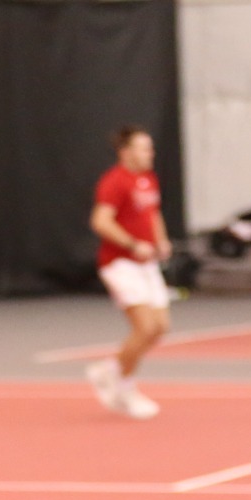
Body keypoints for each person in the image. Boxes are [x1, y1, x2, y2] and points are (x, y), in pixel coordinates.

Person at [86, 124, 171, 420]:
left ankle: (108, 370)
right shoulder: (114, 182)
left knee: (160, 327)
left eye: (151, 147)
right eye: (144, 148)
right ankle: (125, 388)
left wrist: (160, 241)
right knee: (145, 327)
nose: (151, 153)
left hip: (146, 264)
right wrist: (133, 244)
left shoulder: (148, 178)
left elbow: (153, 213)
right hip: (120, 264)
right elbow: (101, 221)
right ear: (126, 152)